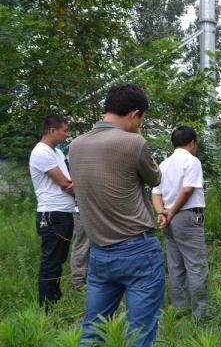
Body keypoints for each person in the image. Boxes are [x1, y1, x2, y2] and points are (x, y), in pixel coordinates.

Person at [69, 84, 164, 347]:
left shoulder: (75, 146)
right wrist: (138, 137)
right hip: (138, 250)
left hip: (99, 252)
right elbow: (155, 178)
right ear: (134, 114)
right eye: (141, 118)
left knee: (93, 330)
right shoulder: (134, 142)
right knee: (140, 332)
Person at [151, 126, 208, 319]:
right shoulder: (192, 161)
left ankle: (179, 309)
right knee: (195, 264)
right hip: (186, 216)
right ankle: (200, 313)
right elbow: (187, 190)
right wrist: (171, 211)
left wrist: (162, 213)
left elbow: (155, 193)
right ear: (192, 143)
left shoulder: (164, 165)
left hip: (169, 219)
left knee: (176, 265)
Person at [29, 115, 76, 310]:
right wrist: (91, 194)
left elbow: (69, 178)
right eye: (64, 130)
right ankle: (46, 308)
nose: (67, 134)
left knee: (58, 260)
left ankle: (54, 301)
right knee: (51, 262)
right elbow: (65, 184)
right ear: (52, 130)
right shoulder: (41, 152)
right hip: (52, 214)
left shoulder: (56, 151)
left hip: (63, 212)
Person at [70, 202, 89, 290]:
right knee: (82, 246)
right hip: (83, 211)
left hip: (101, 211)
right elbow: (69, 188)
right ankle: (78, 283)